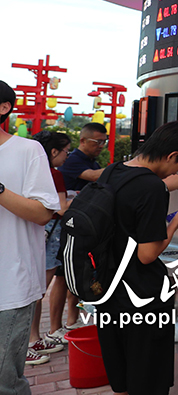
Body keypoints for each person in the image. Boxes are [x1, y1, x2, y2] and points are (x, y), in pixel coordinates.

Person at [94, 121, 178, 395]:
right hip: (142, 299)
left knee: (121, 380)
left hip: (108, 292)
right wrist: (176, 222)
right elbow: (147, 254)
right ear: (171, 156)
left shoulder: (112, 172)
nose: (176, 173)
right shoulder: (152, 188)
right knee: (148, 382)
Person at [0, 81, 60, 395]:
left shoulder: (27, 150)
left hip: (9, 287)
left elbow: (42, 213)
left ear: (4, 108)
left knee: (5, 383)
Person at [26, 131, 73, 365]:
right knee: (37, 292)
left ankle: (33, 339)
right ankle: (29, 342)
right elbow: (62, 208)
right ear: (53, 151)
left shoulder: (29, 169)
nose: (67, 156)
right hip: (51, 235)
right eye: (66, 151)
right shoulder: (53, 174)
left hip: (33, 233)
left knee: (35, 291)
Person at [59, 122, 108, 192]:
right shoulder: (70, 160)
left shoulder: (94, 163)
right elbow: (93, 176)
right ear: (83, 141)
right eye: (98, 142)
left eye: (104, 142)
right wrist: (121, 167)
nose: (101, 146)